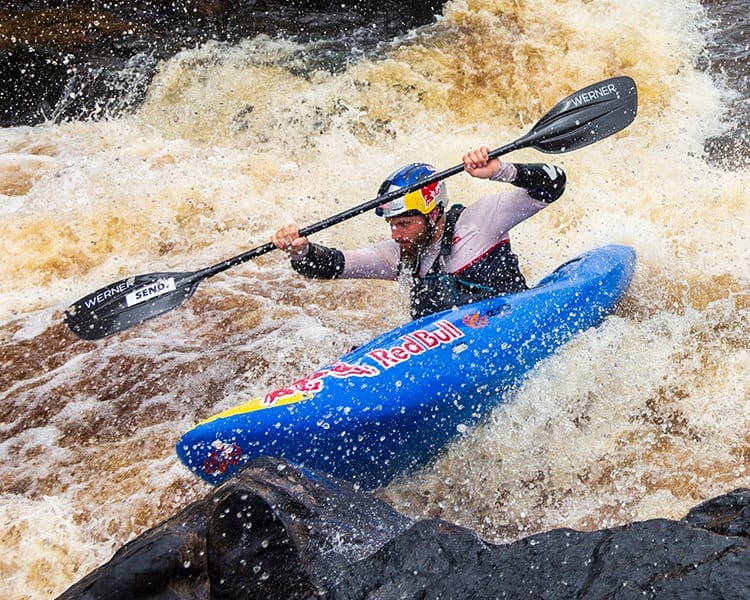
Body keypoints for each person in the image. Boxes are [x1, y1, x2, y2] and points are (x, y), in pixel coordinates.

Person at [271, 147, 566, 319]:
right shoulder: (398, 255)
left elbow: (554, 184)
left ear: (434, 213)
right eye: (391, 224)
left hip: (509, 322)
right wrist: (301, 251)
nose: (396, 233)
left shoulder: (480, 221)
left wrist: (502, 170)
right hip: (448, 353)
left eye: (404, 223)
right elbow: (333, 266)